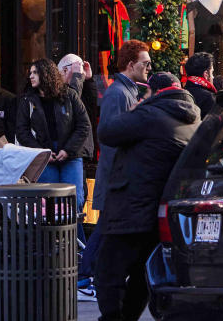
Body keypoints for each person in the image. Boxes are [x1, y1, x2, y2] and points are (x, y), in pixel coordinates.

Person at [93, 71, 200, 321]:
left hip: (130, 206)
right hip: (159, 210)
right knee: (142, 272)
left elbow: (107, 132)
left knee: (106, 272)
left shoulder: (149, 114)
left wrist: (135, 110)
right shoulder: (192, 118)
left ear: (154, 92)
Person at [77, 39, 150, 301]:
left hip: (118, 176)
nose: (148, 67)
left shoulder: (126, 91)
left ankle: (87, 277)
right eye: (145, 63)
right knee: (105, 228)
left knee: (107, 228)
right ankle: (85, 277)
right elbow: (111, 137)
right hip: (116, 176)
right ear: (131, 65)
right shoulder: (118, 93)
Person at [182, 52, 218, 117]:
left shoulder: (182, 93)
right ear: (206, 74)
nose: (213, 77)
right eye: (212, 72)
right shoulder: (209, 98)